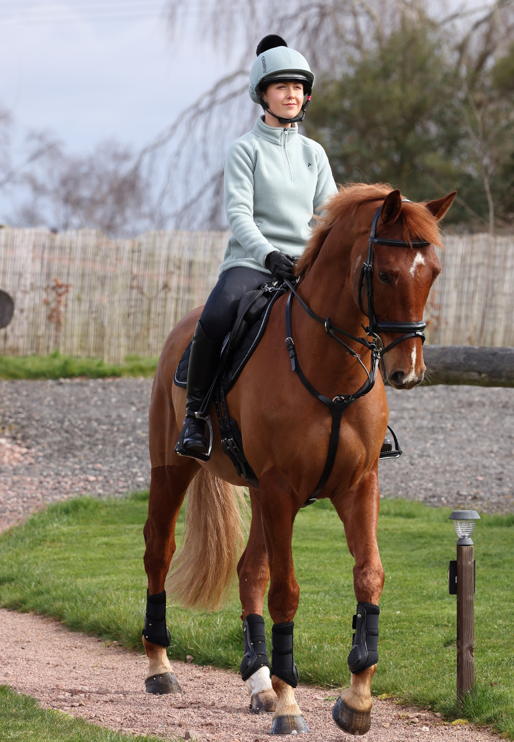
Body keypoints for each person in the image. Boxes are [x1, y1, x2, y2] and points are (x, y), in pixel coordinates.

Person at [176, 34, 337, 459]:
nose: (292, 95)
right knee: (215, 315)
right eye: (282, 87)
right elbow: (239, 216)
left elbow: (328, 215)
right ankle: (194, 417)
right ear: (262, 94)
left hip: (305, 265)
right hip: (253, 262)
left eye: (298, 88)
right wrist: (268, 255)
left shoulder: (314, 153)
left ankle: (364, 417)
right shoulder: (244, 150)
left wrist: (316, 259)